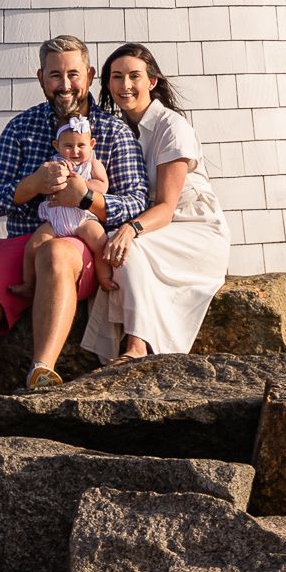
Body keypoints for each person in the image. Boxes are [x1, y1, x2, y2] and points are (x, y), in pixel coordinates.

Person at [0, 34, 146, 392]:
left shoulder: (113, 132)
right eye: (55, 75)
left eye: (73, 74)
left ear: (89, 75)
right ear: (41, 78)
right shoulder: (21, 128)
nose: (65, 84)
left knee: (55, 254)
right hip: (27, 240)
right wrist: (32, 185)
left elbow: (136, 201)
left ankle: (41, 372)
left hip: (81, 243)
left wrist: (86, 198)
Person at [82, 43, 230, 362]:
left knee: (127, 247)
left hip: (193, 228)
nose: (125, 85)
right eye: (116, 77)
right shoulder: (117, 131)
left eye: (134, 76)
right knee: (114, 246)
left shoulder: (171, 127)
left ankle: (137, 346)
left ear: (152, 81)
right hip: (158, 229)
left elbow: (165, 206)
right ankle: (120, 349)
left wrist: (130, 229)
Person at [14, 115, 116, 301]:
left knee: (101, 242)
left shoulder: (93, 164)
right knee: (32, 246)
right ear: (57, 146)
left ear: (92, 144)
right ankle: (29, 284)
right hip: (55, 221)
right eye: (68, 146)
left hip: (83, 219)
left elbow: (103, 185)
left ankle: (104, 278)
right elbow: (44, 182)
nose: (75, 151)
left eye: (81, 145)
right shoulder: (53, 164)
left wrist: (82, 185)